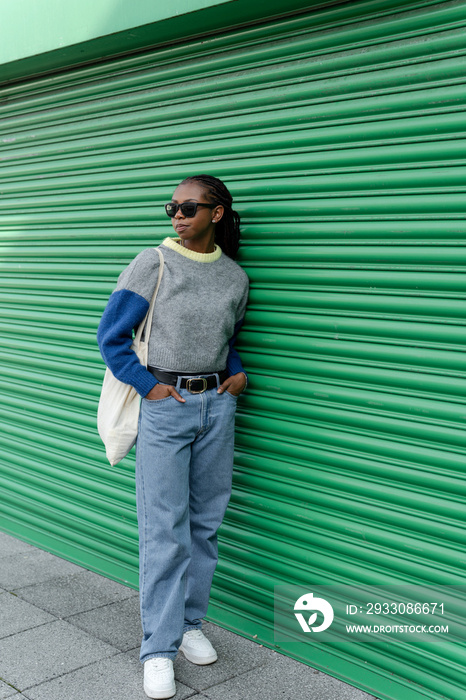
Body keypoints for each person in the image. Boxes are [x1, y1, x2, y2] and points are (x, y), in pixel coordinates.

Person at [97, 174, 249, 699]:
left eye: (189, 207)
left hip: (217, 407)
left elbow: (223, 336)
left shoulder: (234, 277)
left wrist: (236, 373)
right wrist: (149, 389)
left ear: (218, 214)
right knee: (165, 530)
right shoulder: (152, 262)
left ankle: (188, 626)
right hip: (167, 407)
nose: (178, 215)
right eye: (172, 207)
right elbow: (111, 337)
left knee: (205, 524)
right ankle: (157, 649)